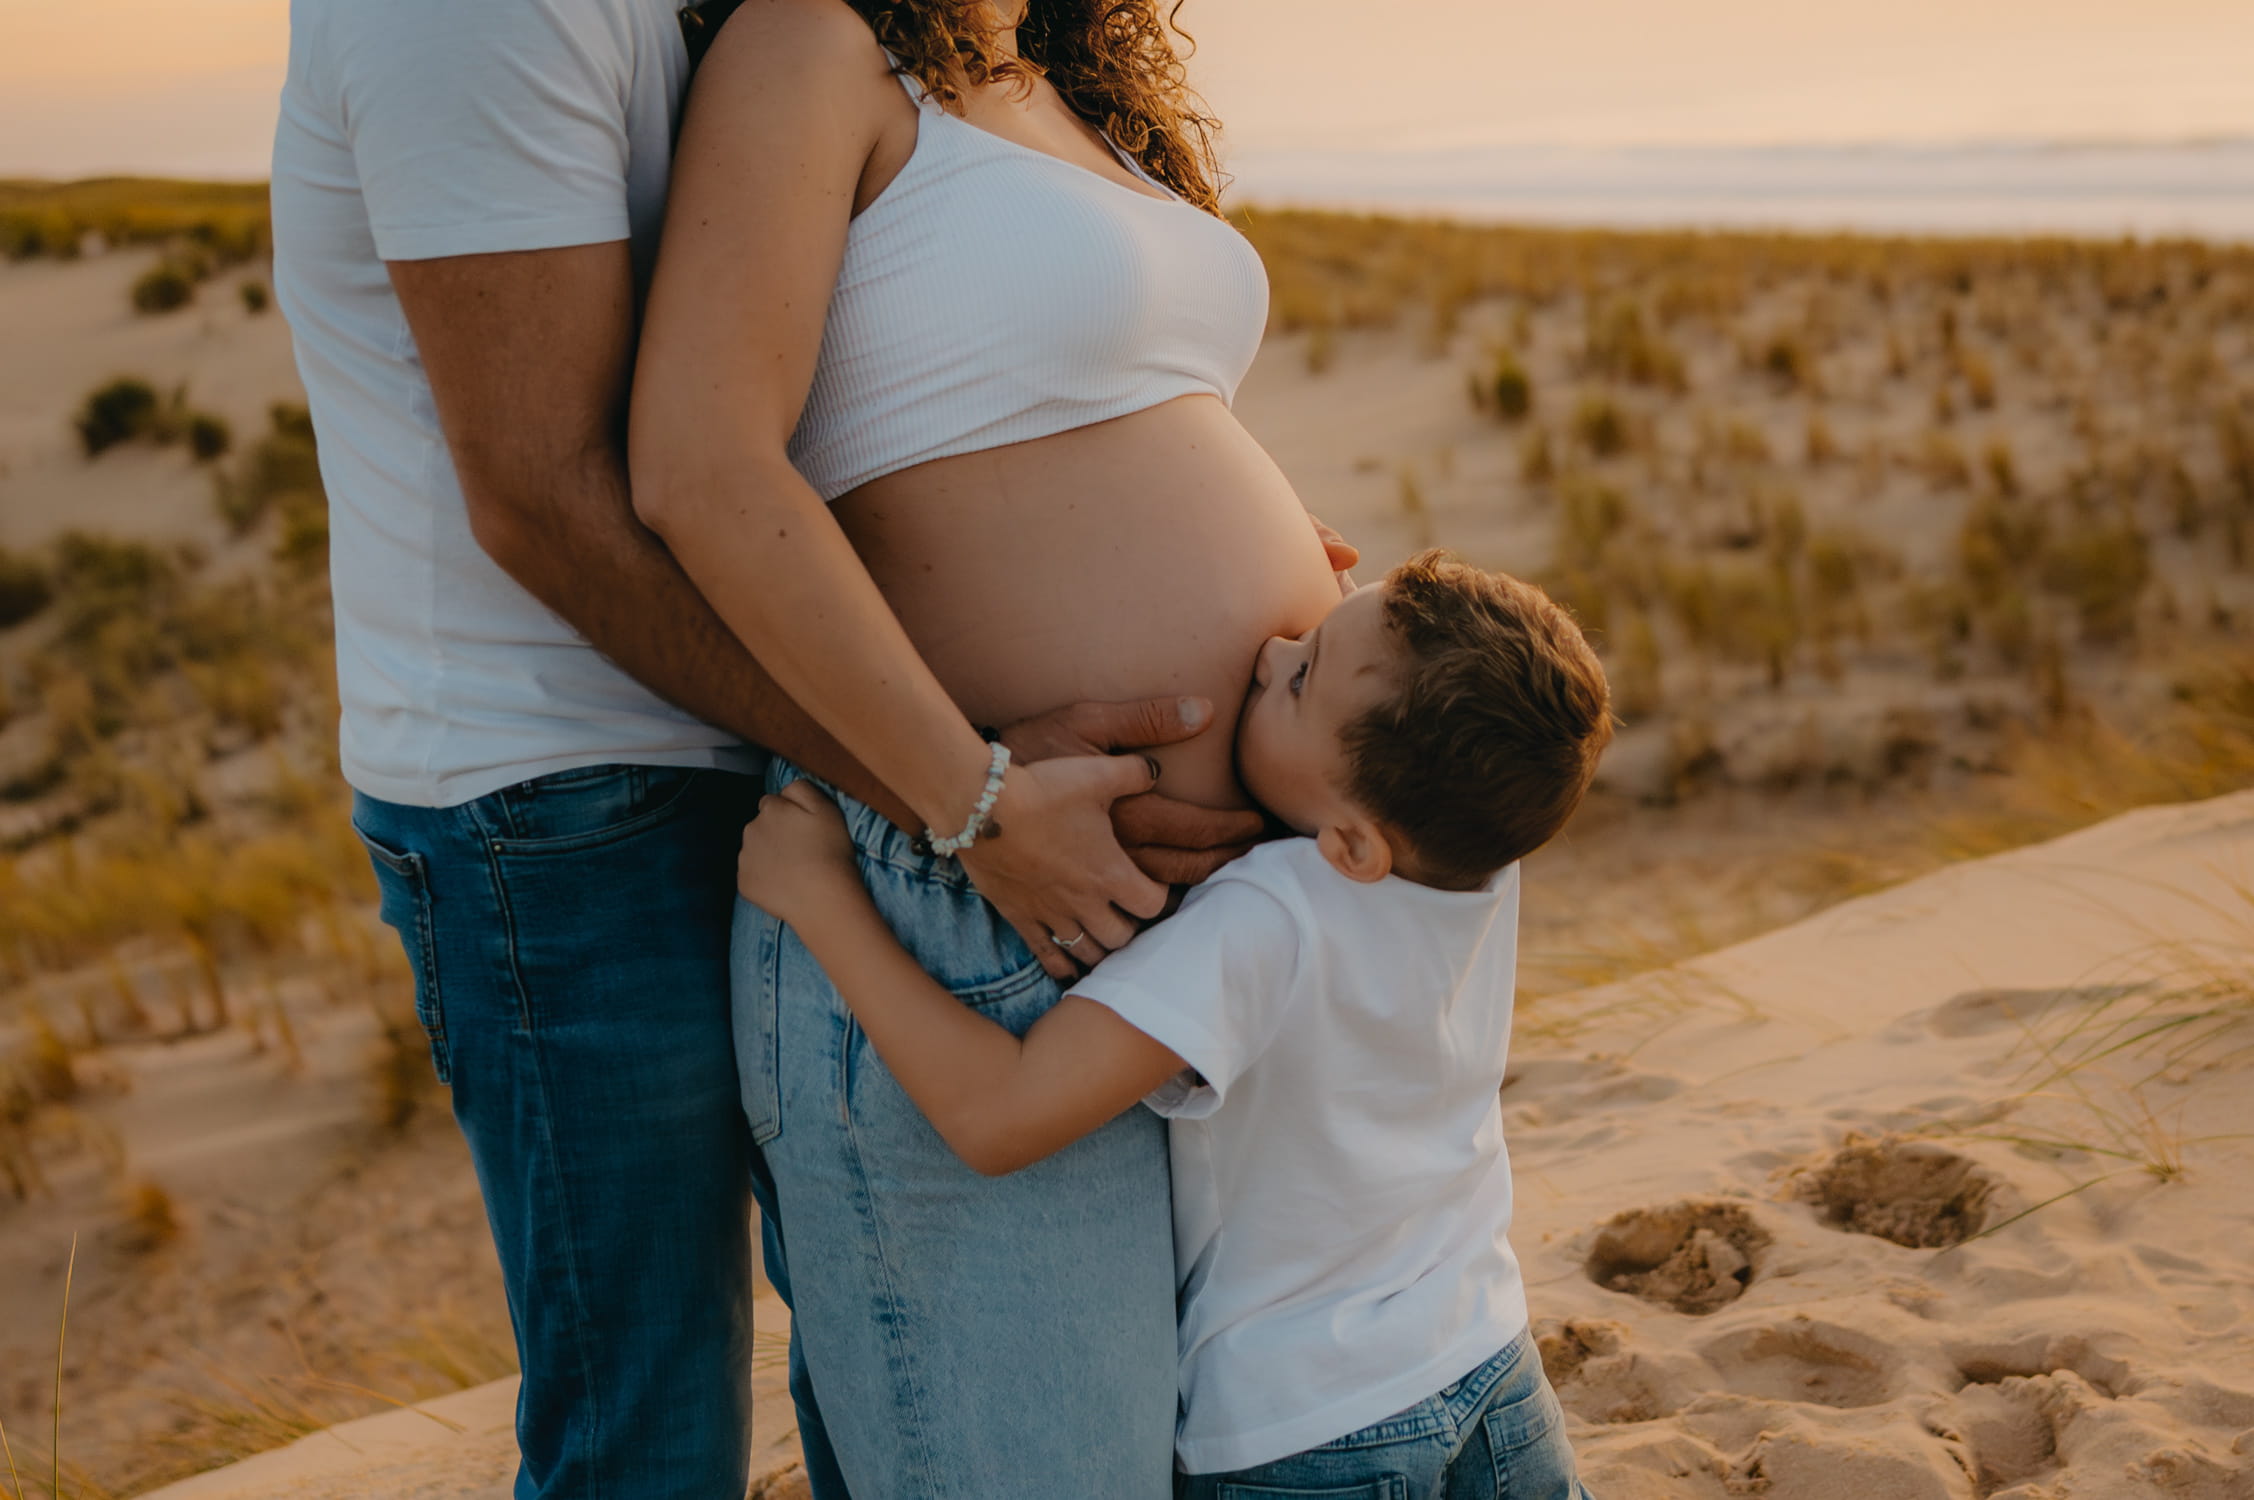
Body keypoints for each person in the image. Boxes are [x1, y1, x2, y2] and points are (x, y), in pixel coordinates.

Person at [266, 1, 1271, 1493]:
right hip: (560, 790)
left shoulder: (870, 36)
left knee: (896, 1382)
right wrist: (962, 791)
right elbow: (556, 491)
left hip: (811, 767)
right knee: (650, 1429)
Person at [627, 0, 1366, 1492]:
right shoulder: (812, 43)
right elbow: (700, 466)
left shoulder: (1063, 83)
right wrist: (974, 804)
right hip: (967, 910)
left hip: (1212, 936)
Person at [737, 554, 1611, 1498]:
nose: (1270, 652)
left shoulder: (1270, 920)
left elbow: (999, 1113)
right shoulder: (1477, 864)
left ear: (1353, 845)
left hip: (1312, 1432)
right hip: (1490, 1364)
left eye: (1303, 674)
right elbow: (1435, 696)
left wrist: (820, 899)